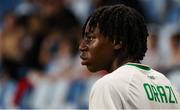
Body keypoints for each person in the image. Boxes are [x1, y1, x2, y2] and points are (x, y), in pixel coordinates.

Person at [79, 4, 180, 109]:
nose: (81, 47)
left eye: (90, 38)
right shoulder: (169, 87)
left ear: (117, 41)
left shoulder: (107, 85)